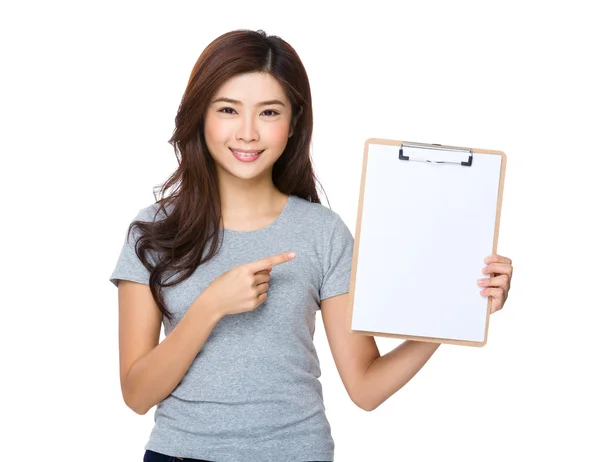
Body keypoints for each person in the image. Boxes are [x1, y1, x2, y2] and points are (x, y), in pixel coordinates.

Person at [109, 29, 514, 462]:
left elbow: (365, 387)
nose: (247, 132)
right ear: (200, 115)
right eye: (228, 109)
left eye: (269, 112)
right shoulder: (152, 231)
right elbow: (137, 395)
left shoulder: (323, 232)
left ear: (293, 122)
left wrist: (452, 314)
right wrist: (210, 305)